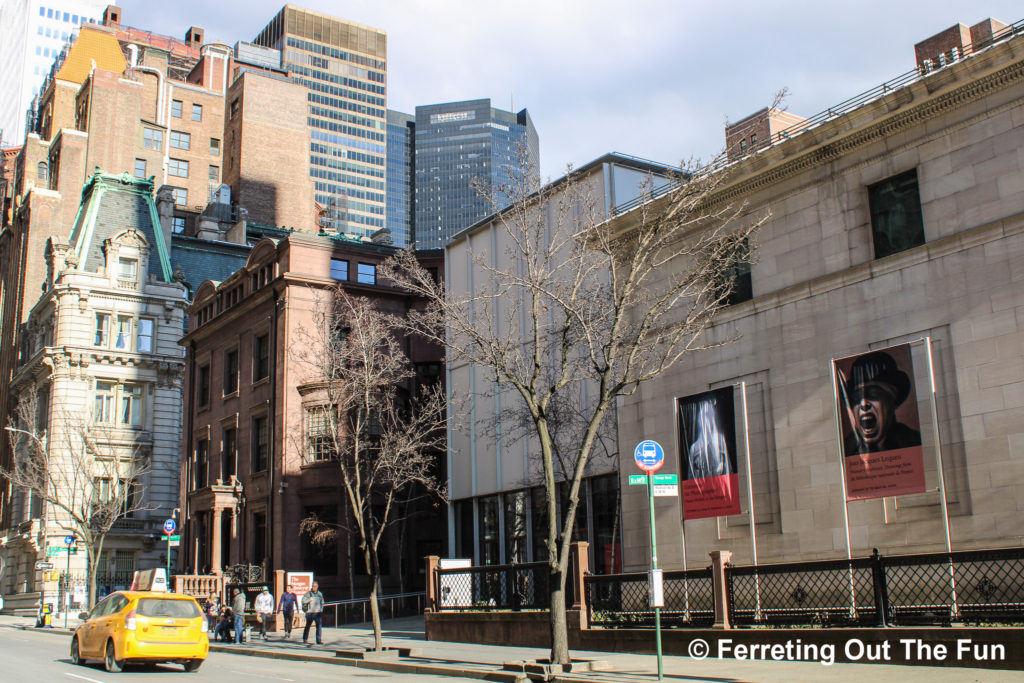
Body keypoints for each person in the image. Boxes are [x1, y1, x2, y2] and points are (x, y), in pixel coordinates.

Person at [842, 350, 922, 456]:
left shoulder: (915, 442)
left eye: (873, 394)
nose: (863, 403)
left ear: (893, 399)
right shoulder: (846, 450)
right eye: (856, 398)